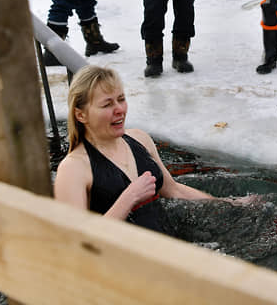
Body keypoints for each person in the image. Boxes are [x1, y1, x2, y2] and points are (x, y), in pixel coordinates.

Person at [53, 66, 222, 232]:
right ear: (81, 115)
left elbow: (173, 190)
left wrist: (229, 204)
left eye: (121, 99)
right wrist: (129, 198)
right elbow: (77, 240)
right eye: (107, 105)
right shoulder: (73, 168)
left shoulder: (139, 139)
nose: (119, 110)